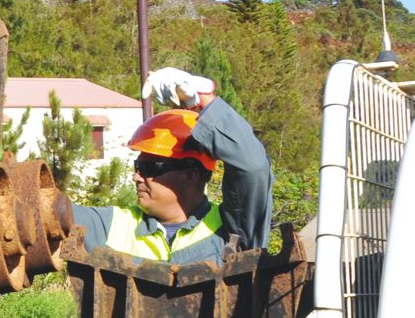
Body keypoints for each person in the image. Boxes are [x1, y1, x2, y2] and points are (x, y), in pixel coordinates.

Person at [73, 66, 272, 263]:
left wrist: (205, 102)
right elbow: (53, 210)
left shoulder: (232, 230)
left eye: (150, 168)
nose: (136, 177)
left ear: (190, 176)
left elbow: (253, 167)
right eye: (137, 167)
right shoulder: (113, 225)